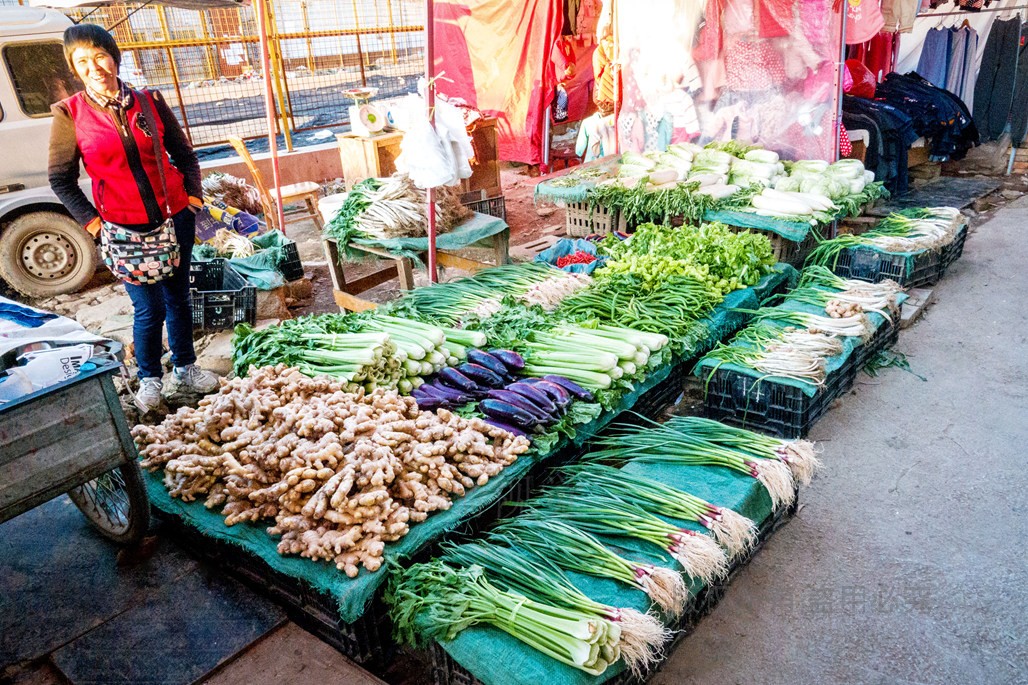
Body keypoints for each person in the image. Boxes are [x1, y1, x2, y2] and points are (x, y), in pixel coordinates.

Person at [48, 24, 219, 413]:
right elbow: (60, 178)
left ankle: (186, 368)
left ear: (115, 57)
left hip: (175, 218)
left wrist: (191, 197)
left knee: (178, 298)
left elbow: (185, 154)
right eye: (82, 61)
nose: (94, 67)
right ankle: (149, 378)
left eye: (100, 55)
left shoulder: (149, 100)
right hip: (123, 230)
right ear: (74, 68)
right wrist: (94, 224)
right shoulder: (69, 114)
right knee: (147, 307)